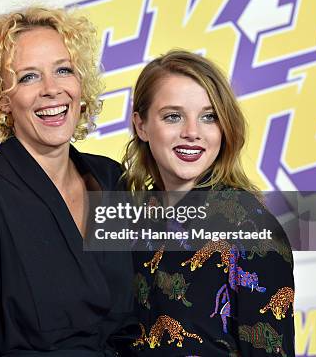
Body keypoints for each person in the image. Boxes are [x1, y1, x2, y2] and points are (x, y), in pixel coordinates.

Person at [0, 6, 136, 356]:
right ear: (2, 98)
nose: (51, 89)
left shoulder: (110, 178)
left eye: (63, 70)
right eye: (28, 77)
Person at [122, 50, 294, 356]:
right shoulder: (131, 215)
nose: (192, 133)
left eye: (209, 116)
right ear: (142, 125)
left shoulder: (251, 225)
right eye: (173, 116)